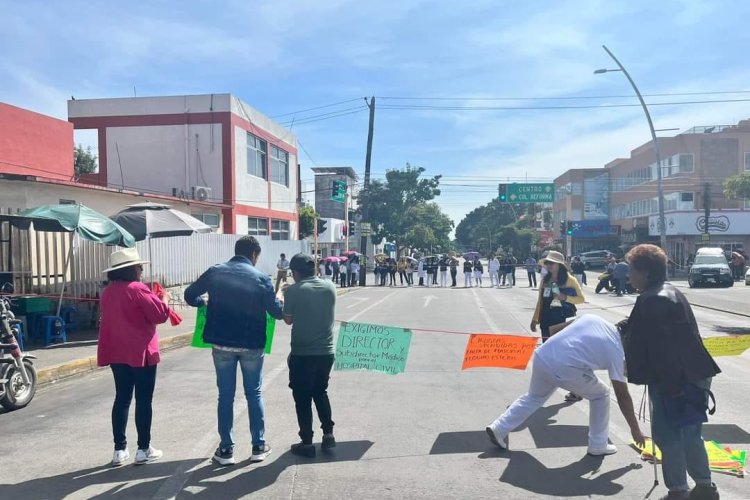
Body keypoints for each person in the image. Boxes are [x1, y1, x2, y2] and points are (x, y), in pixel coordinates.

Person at [621, 244, 721, 500]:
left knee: (669, 435)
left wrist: (672, 386)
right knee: (690, 433)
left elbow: (664, 348)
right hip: (688, 373)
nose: (628, 275)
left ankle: (678, 490)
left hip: (675, 377)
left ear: (644, 271)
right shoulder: (666, 292)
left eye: (631, 269)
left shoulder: (654, 298)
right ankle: (705, 487)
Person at [185, 236, 283, 466]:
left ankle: (226, 449)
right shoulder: (261, 278)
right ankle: (259, 445)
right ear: (255, 254)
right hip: (251, 345)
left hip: (221, 344)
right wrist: (280, 300)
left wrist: (203, 302)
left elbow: (190, 295)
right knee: (254, 393)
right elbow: (276, 312)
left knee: (225, 395)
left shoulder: (216, 271)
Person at [486, 315, 645, 456]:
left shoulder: (592, 318)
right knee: (601, 395)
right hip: (563, 368)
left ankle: (498, 428)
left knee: (534, 397)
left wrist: (575, 366)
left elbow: (554, 330)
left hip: (543, 356)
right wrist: (635, 430)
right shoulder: (615, 351)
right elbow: (622, 395)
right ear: (628, 338)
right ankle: (598, 445)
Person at [98, 248, 171, 466]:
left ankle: (120, 449)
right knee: (144, 400)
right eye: (139, 266)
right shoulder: (138, 289)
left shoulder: (108, 292)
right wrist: (164, 298)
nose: (141, 269)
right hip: (141, 352)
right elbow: (160, 315)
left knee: (122, 398)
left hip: (116, 352)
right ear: (131, 269)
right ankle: (143, 448)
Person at [282, 254, 337, 458]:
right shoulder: (330, 287)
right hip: (326, 352)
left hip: (302, 353)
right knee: (320, 391)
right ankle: (328, 433)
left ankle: (307, 441)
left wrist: (285, 295)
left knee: (302, 397)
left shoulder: (294, 290)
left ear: (295, 272)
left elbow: (288, 319)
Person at [530, 250, 584, 344]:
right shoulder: (545, 280)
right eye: (547, 263)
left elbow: (581, 299)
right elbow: (540, 302)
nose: (548, 265)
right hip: (546, 318)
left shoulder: (570, 280)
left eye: (551, 263)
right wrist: (535, 319)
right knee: (547, 347)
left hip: (562, 320)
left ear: (559, 265)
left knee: (561, 349)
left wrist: (566, 297)